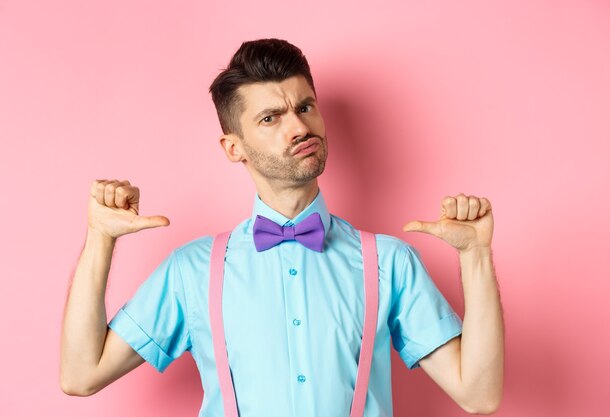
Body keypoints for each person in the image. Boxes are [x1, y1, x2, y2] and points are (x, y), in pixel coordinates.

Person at [60, 38, 504, 416]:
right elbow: (82, 375)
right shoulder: (191, 270)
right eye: (270, 118)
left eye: (305, 106)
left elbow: (478, 395)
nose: (298, 126)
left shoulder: (389, 262)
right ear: (234, 148)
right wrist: (99, 239)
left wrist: (477, 256)